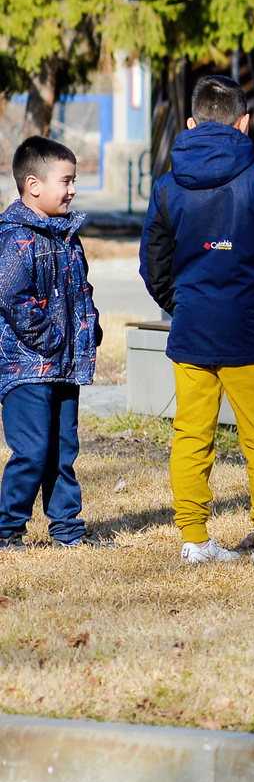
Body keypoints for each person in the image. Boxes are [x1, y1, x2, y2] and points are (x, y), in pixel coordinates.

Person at [142, 74, 254, 566]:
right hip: (251, 329)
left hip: (192, 331)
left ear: (192, 123)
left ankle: (194, 541)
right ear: (244, 123)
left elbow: (153, 267)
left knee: (191, 435)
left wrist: (182, 303)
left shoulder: (166, 186)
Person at [0, 137, 101, 547]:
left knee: (63, 450)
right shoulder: (16, 238)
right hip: (27, 367)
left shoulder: (66, 236)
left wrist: (89, 329)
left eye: (74, 180)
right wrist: (50, 338)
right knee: (32, 451)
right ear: (34, 185)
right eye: (67, 180)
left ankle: (67, 529)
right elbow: (9, 294)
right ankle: (7, 529)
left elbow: (82, 290)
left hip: (63, 365)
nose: (73, 189)